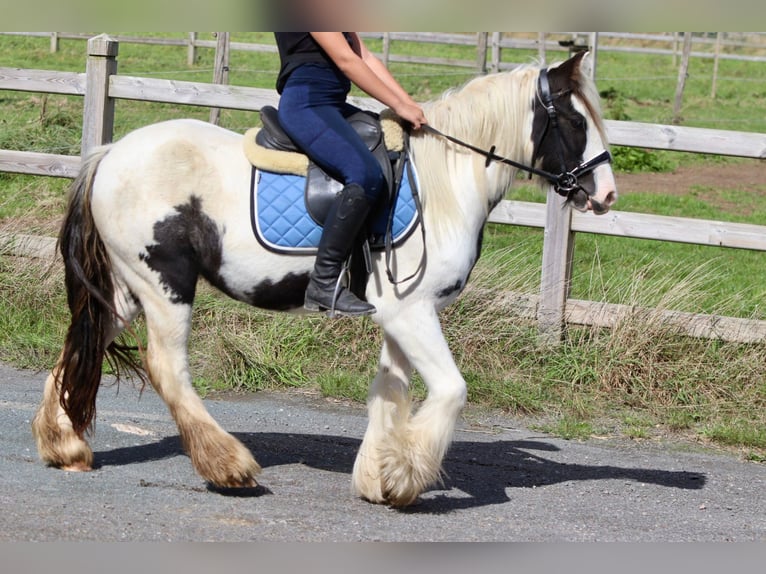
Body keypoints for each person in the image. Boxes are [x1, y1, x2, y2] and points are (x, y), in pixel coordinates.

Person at [274, 32, 427, 316]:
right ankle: (323, 282)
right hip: (307, 102)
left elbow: (364, 56)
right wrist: (398, 105)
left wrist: (410, 104)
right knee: (365, 174)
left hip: (332, 103)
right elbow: (346, 61)